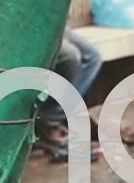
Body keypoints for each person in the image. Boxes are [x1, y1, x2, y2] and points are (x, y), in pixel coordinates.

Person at [34, 29, 102, 162]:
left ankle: (53, 116)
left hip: (49, 23)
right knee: (69, 58)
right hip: (19, 26)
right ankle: (49, 125)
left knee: (92, 57)